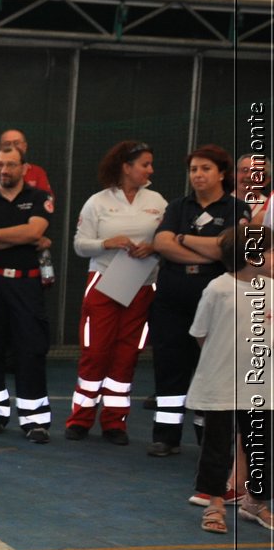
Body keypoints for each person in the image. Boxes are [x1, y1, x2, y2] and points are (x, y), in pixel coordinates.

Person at [149, 146, 247, 473]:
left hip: (216, 300)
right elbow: (162, 243)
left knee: (211, 368)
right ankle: (166, 435)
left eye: (205, 169)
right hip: (172, 298)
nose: (198, 175)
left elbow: (230, 247)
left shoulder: (236, 208)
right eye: (193, 169)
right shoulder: (178, 206)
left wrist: (184, 239)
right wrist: (209, 252)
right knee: (169, 364)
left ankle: (208, 437)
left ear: (222, 173)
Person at [63, 141, 167, 444]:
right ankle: (80, 418)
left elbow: (166, 238)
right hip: (104, 282)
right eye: (144, 164)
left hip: (143, 285)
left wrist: (154, 247)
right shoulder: (97, 202)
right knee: (95, 353)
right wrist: (108, 243)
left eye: (150, 164)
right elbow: (80, 245)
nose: (150, 169)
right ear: (126, 166)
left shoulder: (158, 201)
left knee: (126, 355)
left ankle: (114, 423)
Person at [186, 223, 272, 533]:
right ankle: (215, 502)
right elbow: (200, 334)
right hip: (220, 386)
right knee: (217, 447)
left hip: (261, 388)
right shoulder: (218, 289)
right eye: (270, 250)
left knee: (261, 445)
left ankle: (256, 502)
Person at [0, 146, 54, 442]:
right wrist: (13, 236)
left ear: (24, 168)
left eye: (10, 165)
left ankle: (34, 421)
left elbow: (33, 232)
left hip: (27, 285)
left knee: (30, 349)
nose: (4, 170)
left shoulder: (40, 199)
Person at [0, 128, 54, 197]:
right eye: (7, 144)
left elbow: (46, 200)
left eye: (16, 143)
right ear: (0, 147)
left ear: (25, 146)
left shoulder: (37, 172)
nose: (12, 147)